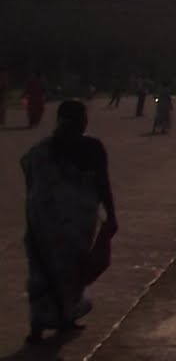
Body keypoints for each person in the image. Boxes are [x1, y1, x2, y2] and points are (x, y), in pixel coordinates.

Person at [21, 99, 117, 345]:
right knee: (68, 271)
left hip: (47, 223)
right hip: (75, 223)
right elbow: (103, 184)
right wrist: (111, 214)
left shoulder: (42, 150)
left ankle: (43, 323)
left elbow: (29, 178)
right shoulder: (90, 148)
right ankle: (61, 317)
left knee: (44, 270)